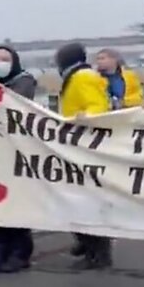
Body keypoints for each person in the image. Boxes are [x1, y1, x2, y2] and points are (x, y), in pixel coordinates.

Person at [55, 43, 115, 269]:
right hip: (77, 144)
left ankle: (97, 252)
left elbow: (97, 108)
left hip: (84, 145)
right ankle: (87, 244)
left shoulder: (81, 78)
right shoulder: (78, 77)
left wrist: (84, 119)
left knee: (85, 201)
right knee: (79, 199)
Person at [0, 46, 38, 274]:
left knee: (16, 202)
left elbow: (12, 104)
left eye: (5, 59)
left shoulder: (24, 82)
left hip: (17, 152)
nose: (0, 63)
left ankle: (19, 253)